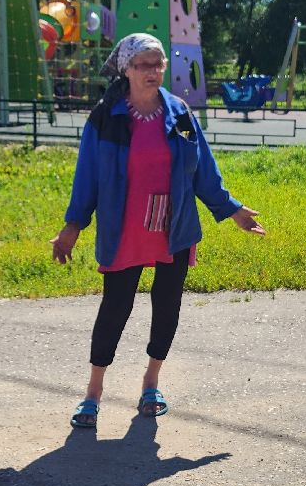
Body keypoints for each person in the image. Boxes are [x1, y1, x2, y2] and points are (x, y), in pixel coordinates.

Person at [50, 33, 264, 426]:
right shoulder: (106, 117)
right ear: (126, 69)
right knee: (115, 308)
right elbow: (87, 179)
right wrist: (72, 227)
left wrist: (231, 209)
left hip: (174, 228)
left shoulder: (179, 113)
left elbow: (202, 170)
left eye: (158, 63)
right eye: (143, 65)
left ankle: (151, 382)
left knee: (167, 306)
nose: (152, 71)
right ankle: (93, 393)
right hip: (125, 230)